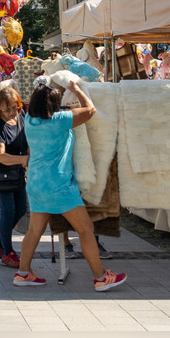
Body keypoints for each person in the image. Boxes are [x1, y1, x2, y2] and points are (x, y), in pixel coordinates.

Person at [14, 80, 128, 292]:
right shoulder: (60, 120)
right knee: (85, 230)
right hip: (59, 185)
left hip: (36, 183)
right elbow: (90, 110)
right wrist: (77, 90)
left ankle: (22, 273)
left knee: (34, 232)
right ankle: (101, 277)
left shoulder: (30, 120)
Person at [0, 86, 29, 268]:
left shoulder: (20, 118)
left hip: (16, 173)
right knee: (8, 211)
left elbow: (26, 141)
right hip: (0, 175)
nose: (12, 112)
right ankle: (7, 252)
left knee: (20, 210)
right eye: (7, 109)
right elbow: (0, 156)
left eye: (15, 108)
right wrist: (26, 160)